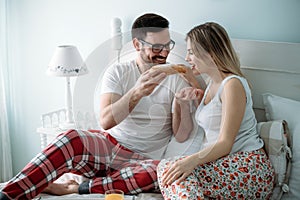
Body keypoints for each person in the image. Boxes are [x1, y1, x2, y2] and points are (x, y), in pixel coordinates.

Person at [0, 13, 192, 200]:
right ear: (137, 45)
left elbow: (181, 136)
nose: (165, 52)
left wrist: (183, 105)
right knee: (71, 137)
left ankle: (77, 188)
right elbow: (106, 121)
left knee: (160, 171)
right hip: (108, 147)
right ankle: (9, 194)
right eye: (157, 47)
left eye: (168, 45)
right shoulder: (118, 72)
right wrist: (138, 91)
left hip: (143, 161)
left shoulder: (176, 79)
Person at [157, 22, 275, 199]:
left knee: (170, 169)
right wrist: (187, 93)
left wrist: (189, 161)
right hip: (222, 165)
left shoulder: (232, 85)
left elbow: (225, 143)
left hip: (248, 166)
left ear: (210, 53)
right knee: (169, 171)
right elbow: (205, 124)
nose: (186, 58)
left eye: (191, 52)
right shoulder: (212, 84)